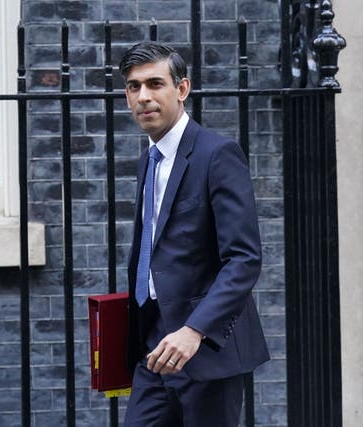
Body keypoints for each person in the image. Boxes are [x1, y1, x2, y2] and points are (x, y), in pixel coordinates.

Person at [120, 42, 270, 426]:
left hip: (206, 351)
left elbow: (243, 259)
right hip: (155, 347)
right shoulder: (149, 160)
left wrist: (195, 330)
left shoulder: (217, 155)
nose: (144, 97)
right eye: (134, 87)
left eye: (155, 84)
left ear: (182, 89)